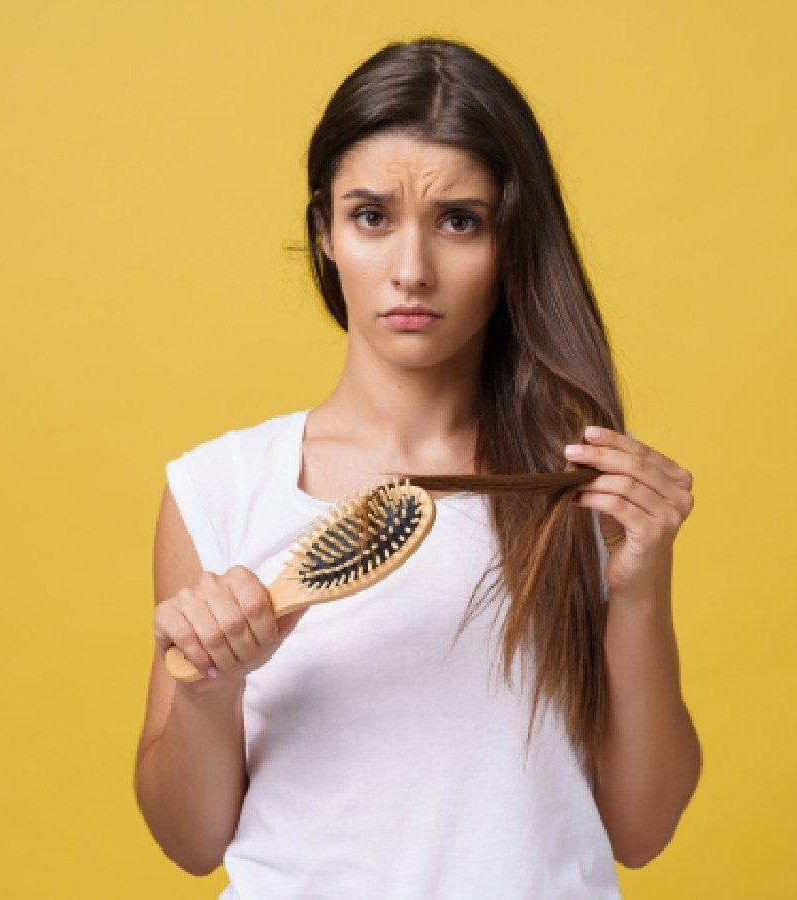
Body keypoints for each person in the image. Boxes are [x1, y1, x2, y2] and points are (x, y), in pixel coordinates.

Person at [133, 36, 700, 898]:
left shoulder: (579, 493)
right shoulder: (220, 489)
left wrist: (643, 582)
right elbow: (189, 842)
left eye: (459, 221)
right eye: (371, 216)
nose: (411, 270)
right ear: (323, 230)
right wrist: (212, 692)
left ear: (511, 244)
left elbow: (644, 827)